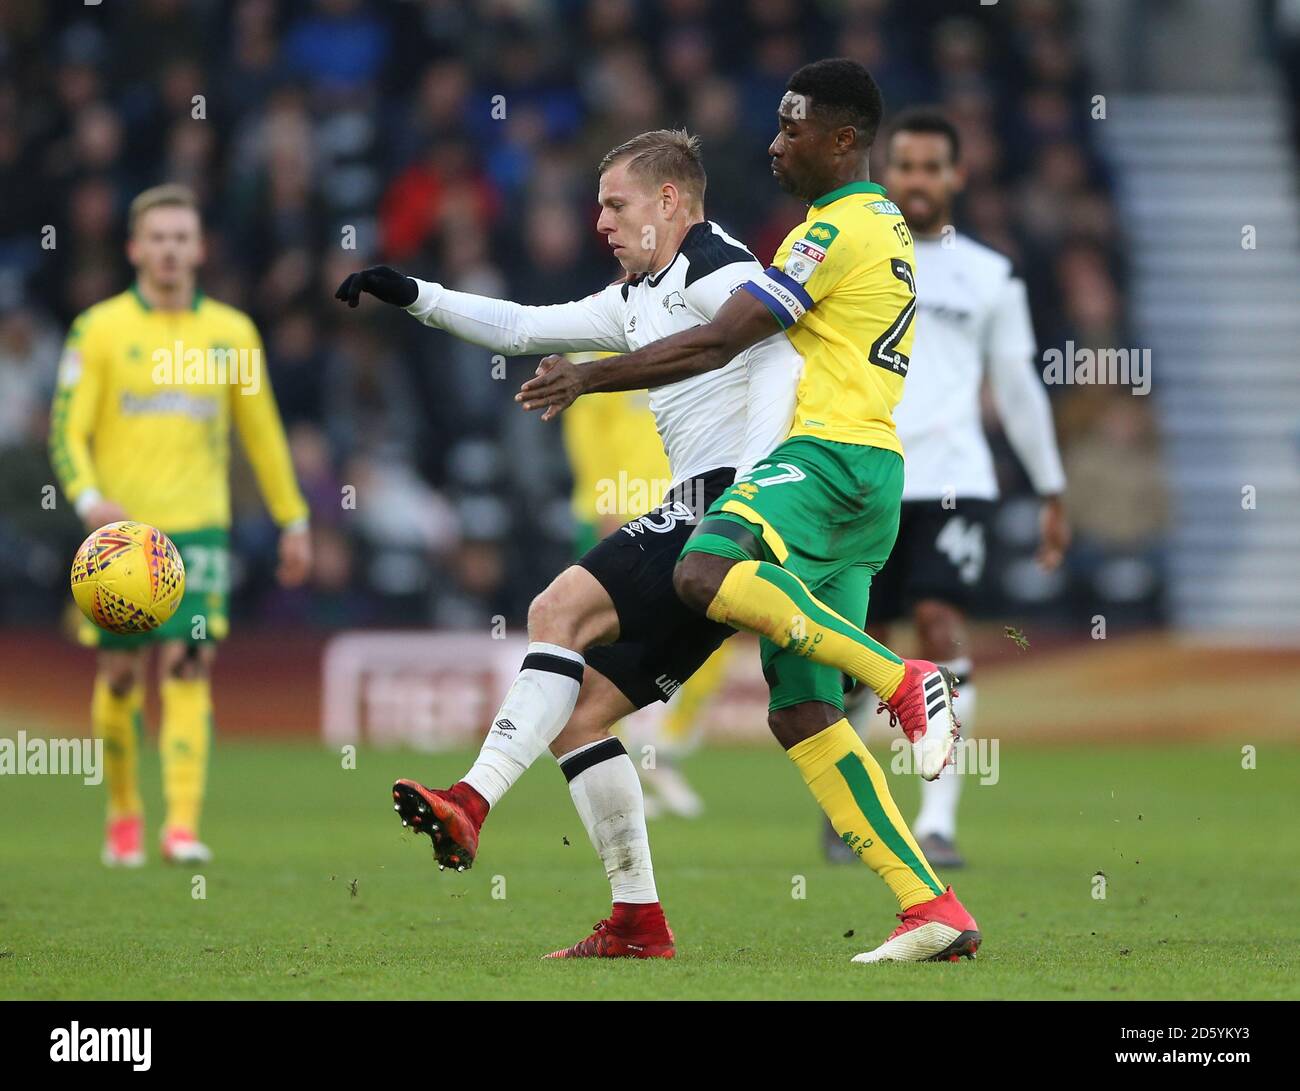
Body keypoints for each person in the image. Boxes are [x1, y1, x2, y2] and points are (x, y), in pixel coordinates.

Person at [516, 60, 979, 963]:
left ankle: (903, 679)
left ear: (844, 140)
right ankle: (932, 906)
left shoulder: (836, 228)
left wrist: (591, 374)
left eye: (794, 129)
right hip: (870, 476)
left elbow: (727, 336)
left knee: (703, 568)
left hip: (824, 460)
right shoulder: (879, 225)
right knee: (802, 710)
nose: (775, 144)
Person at [337, 129, 801, 958]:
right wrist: (414, 294)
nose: (601, 223)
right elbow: (520, 326)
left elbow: (778, 361)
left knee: (557, 608)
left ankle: (472, 801)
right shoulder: (638, 295)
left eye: (616, 205)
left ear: (669, 201)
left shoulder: (719, 267)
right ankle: (637, 920)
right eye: (597, 207)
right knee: (580, 716)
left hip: (729, 502)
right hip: (715, 508)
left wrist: (757, 488)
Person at [825, 108, 1070, 868]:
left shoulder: (990, 274)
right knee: (861, 645)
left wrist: (1051, 485)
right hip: (864, 471)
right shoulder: (851, 257)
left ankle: (936, 819)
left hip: (955, 482)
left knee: (940, 621)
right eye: (906, 166)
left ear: (957, 175)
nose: (920, 180)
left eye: (934, 167)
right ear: (884, 173)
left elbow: (1019, 385)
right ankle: (857, 814)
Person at [50, 183, 311, 866]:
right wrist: (86, 499)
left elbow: (264, 435)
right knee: (119, 677)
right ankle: (124, 814)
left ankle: (182, 826)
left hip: (197, 533)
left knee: (191, 667)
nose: (168, 250)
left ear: (199, 249)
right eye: (156, 238)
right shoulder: (98, 329)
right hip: (118, 538)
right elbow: (67, 431)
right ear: (135, 248)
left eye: (180, 238)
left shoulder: (231, 333)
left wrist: (295, 519)